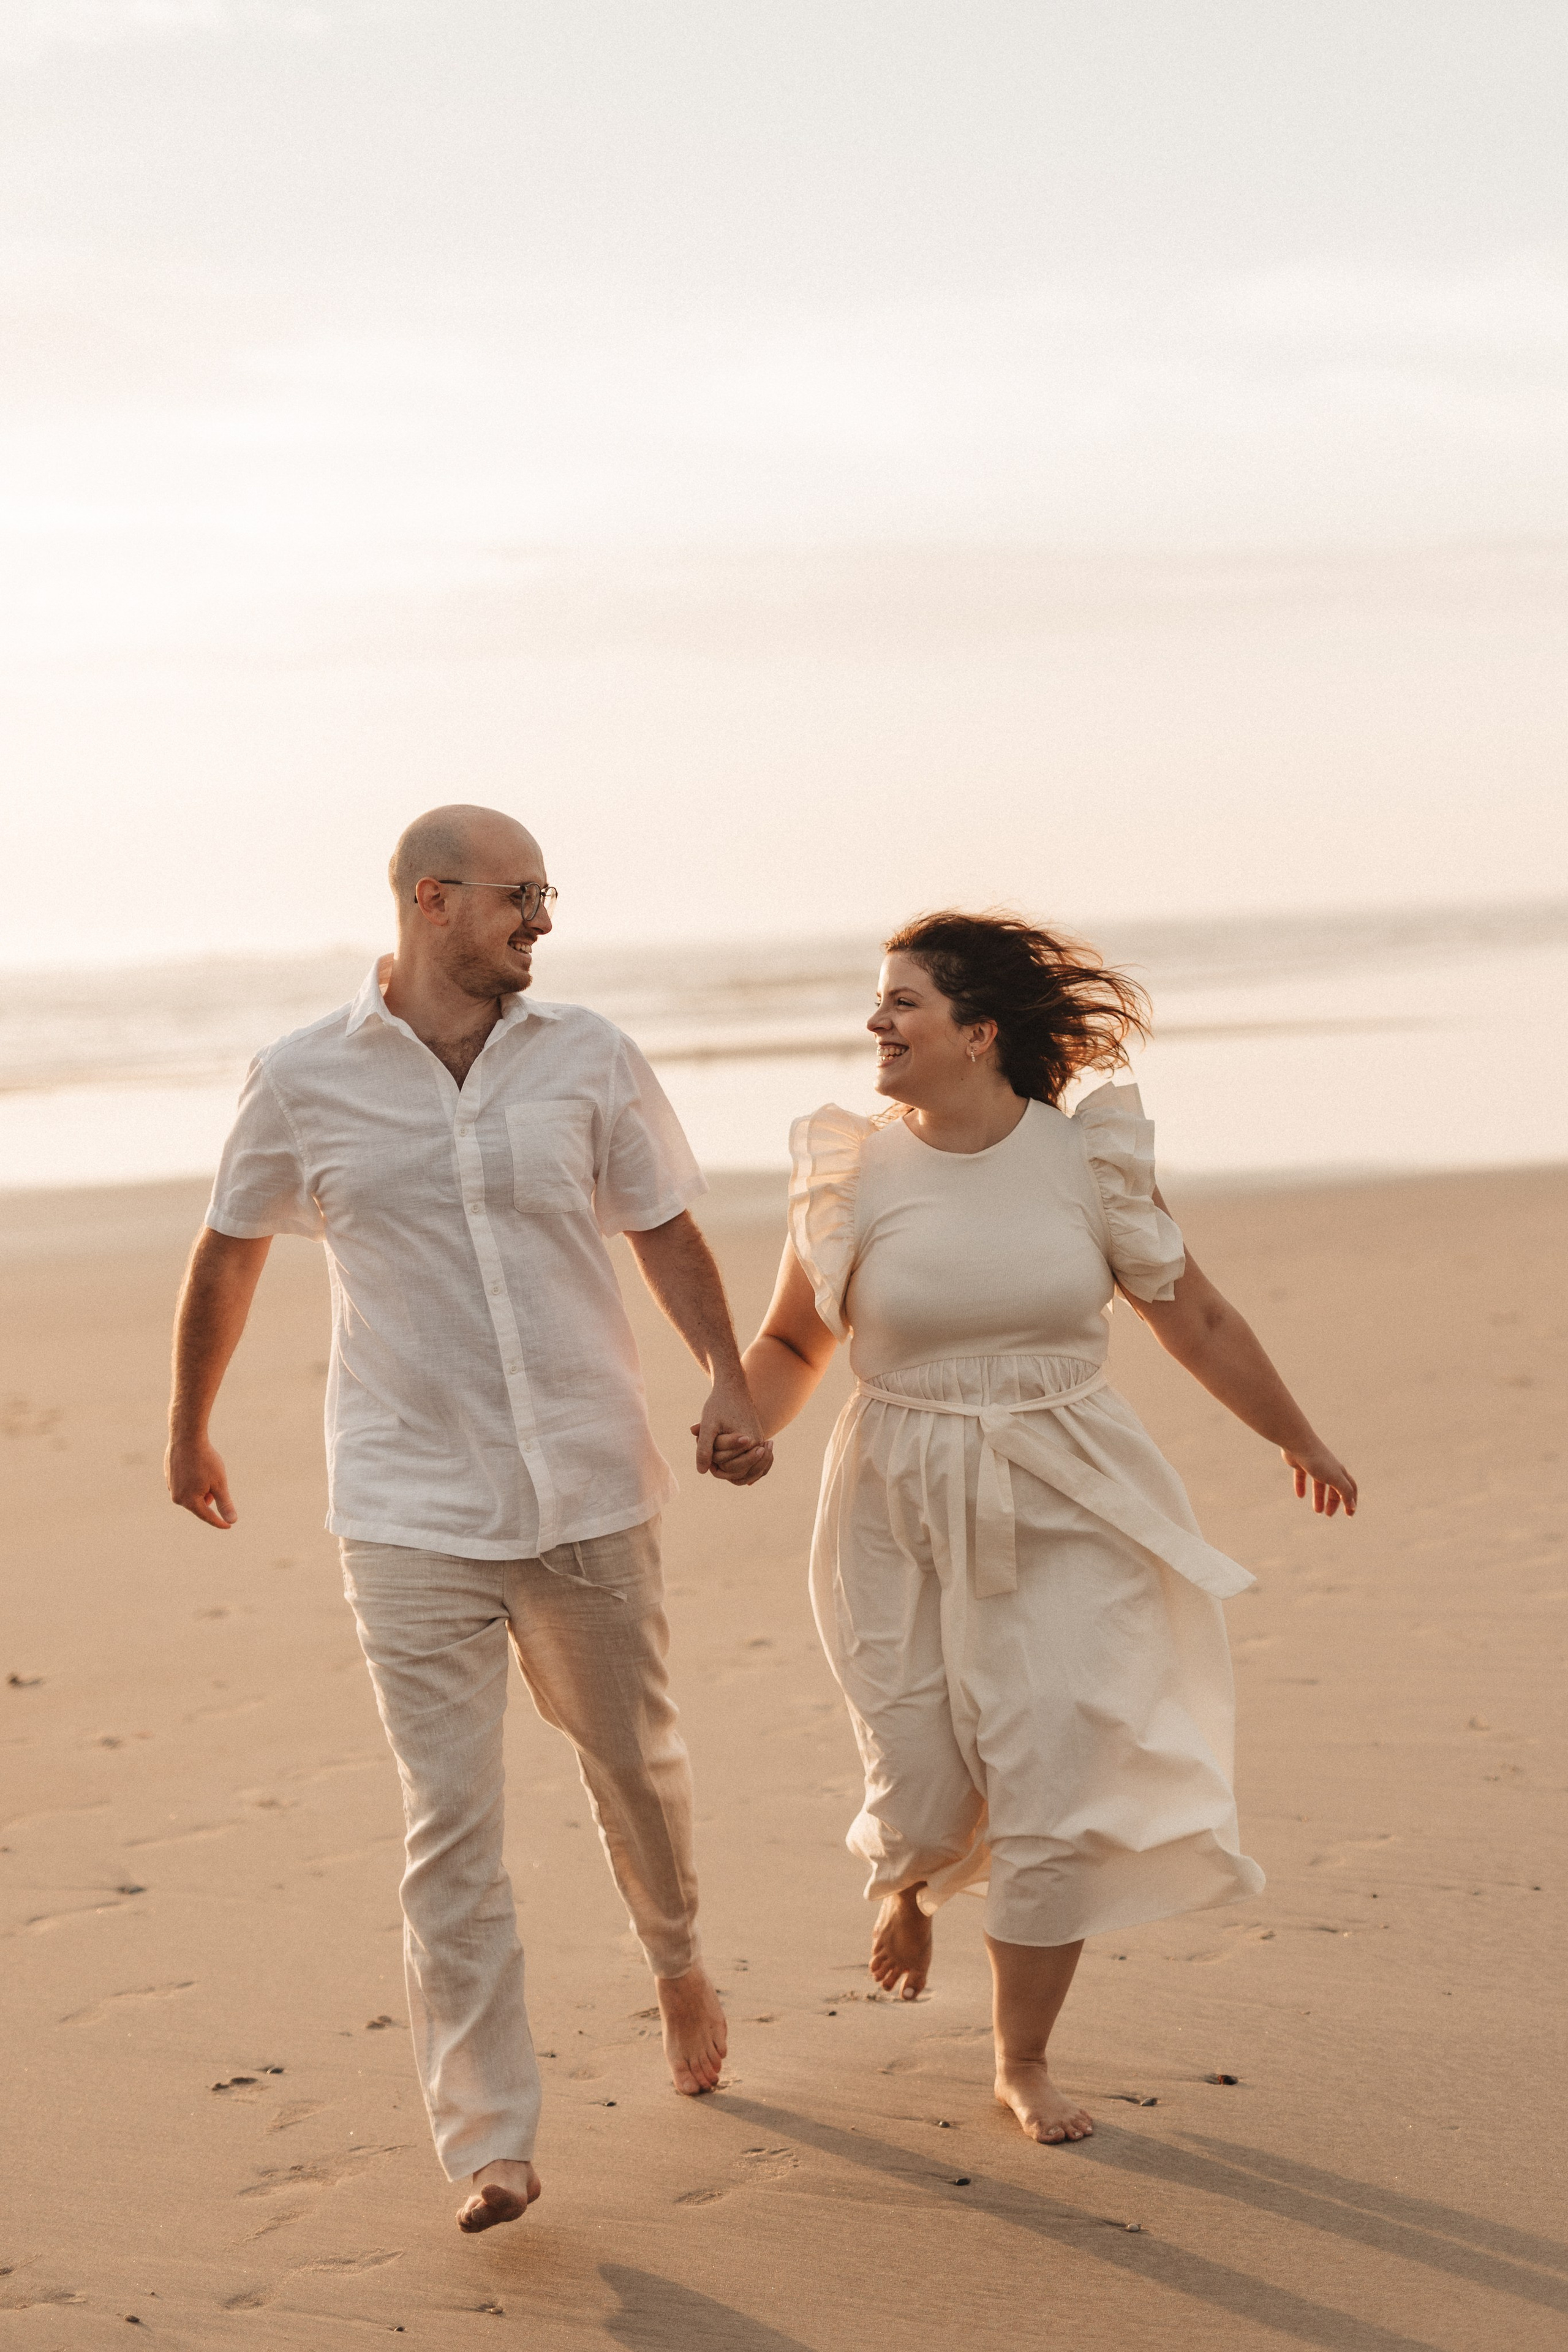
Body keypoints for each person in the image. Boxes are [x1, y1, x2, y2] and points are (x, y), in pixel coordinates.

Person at [165, 804, 771, 2233]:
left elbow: (665, 1227)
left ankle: (676, 1956)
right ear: (433, 899)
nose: (543, 922)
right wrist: (187, 1424)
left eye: (545, 897)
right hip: (405, 1503)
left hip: (586, 1487)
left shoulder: (589, 1058)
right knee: (450, 1824)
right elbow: (231, 1243)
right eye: (522, 896)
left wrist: (728, 1375)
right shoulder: (304, 1076)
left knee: (635, 1770)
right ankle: (489, 2140)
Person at [727, 911, 1356, 2147]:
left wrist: (1295, 1434)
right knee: (922, 1757)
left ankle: (1021, 2059)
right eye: (878, 1002)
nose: (875, 1025)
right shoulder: (850, 1171)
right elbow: (797, 1343)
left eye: (900, 1003)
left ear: (978, 1032)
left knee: (1054, 1762)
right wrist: (734, 1422)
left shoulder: (1085, 1164)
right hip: (896, 1496)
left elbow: (1196, 1318)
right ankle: (907, 1874)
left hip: (1067, 1484)